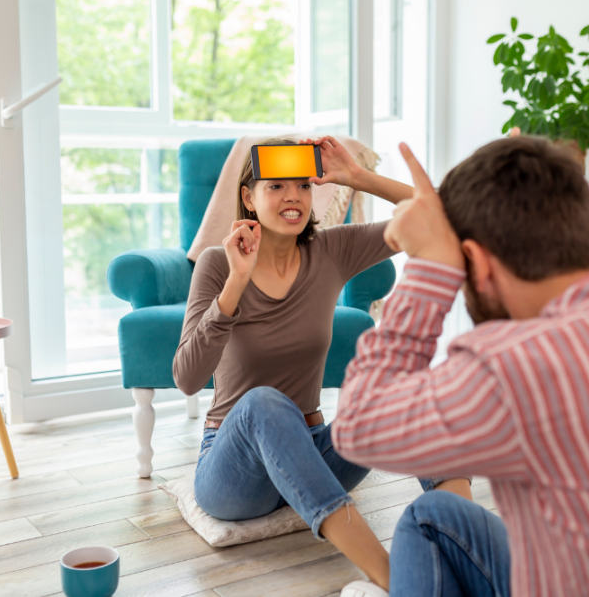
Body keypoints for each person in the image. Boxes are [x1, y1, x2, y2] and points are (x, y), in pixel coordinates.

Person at [333, 135, 589, 597]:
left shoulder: (514, 364)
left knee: (423, 522)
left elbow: (358, 425)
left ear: (477, 264)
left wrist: (430, 269)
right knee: (432, 516)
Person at [172, 137, 472, 590]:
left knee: (407, 385)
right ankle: (396, 581)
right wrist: (235, 283)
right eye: (276, 186)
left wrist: (358, 178)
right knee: (264, 403)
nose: (292, 196)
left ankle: (467, 550)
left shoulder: (331, 250)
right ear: (249, 198)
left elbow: (445, 218)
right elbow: (187, 378)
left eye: (302, 186)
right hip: (235, 472)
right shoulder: (218, 264)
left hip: (313, 452)